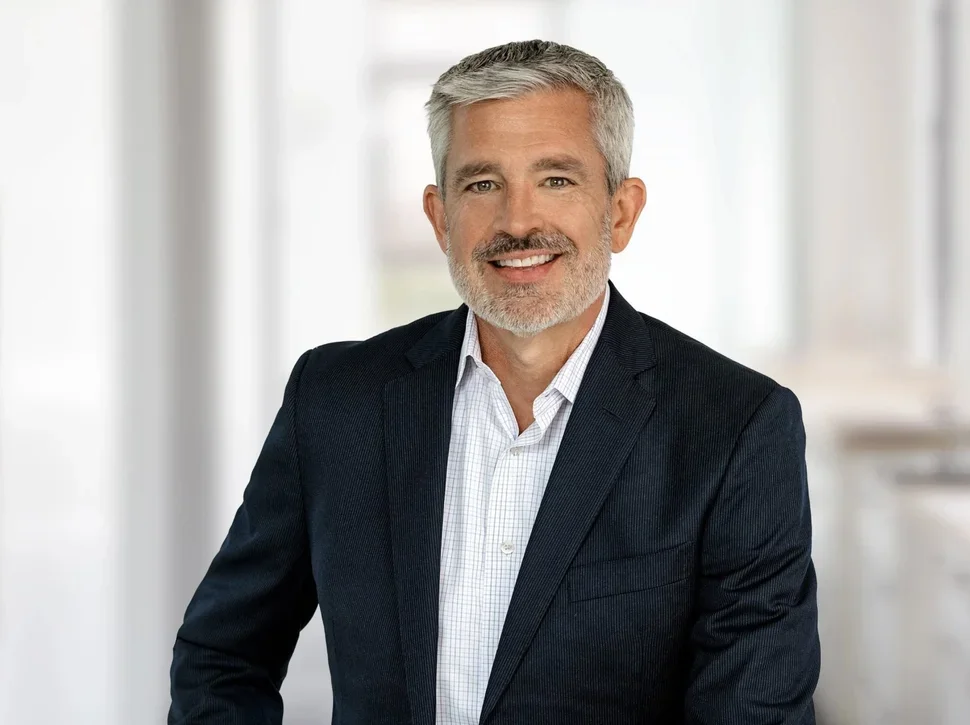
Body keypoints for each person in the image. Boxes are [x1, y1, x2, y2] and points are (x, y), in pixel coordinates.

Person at [169, 39, 820, 724]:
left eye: (557, 179)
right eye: (482, 183)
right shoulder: (335, 402)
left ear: (620, 211)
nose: (517, 221)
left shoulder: (737, 429)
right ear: (440, 216)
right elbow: (222, 655)